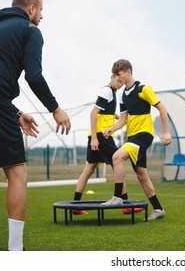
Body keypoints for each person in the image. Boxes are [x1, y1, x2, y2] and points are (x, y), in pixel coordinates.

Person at [0, 0, 71, 251]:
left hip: (1, 103)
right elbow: (33, 76)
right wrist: (55, 109)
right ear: (32, 8)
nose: (42, 16)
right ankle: (16, 251)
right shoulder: (30, 30)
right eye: (40, 11)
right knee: (16, 173)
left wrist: (14, 114)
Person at [101, 59, 172, 220]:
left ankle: (117, 197)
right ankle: (159, 209)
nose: (117, 78)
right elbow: (123, 119)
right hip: (132, 136)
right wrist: (111, 129)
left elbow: (162, 108)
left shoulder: (143, 89)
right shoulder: (122, 95)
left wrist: (166, 132)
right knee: (141, 174)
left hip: (144, 135)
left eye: (119, 74)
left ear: (128, 72)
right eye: (115, 75)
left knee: (116, 157)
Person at [72, 74, 133, 215]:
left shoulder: (112, 92)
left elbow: (107, 113)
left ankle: (75, 205)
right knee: (118, 164)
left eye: (122, 82)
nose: (119, 84)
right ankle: (126, 204)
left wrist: (121, 118)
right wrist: (95, 138)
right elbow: (93, 114)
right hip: (101, 136)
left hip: (98, 135)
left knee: (89, 170)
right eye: (118, 81)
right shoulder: (106, 91)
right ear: (112, 76)